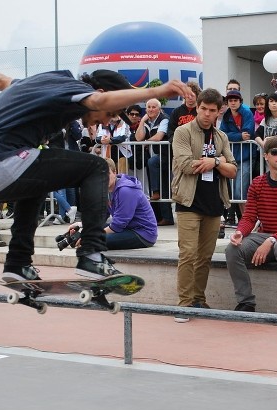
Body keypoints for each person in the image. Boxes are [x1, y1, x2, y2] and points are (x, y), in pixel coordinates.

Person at [0, 54, 190, 283]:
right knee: (97, 167)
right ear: (98, 93)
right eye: (110, 115)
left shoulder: (41, 84)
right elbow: (98, 102)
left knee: (36, 183)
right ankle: (91, 254)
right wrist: (157, 91)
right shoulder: (73, 89)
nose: (106, 122)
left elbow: (2, 81)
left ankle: (17, 263)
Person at [171, 88, 237, 321]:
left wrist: (215, 161)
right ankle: (183, 304)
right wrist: (215, 163)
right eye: (203, 109)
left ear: (219, 112)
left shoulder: (221, 137)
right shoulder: (183, 132)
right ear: (196, 107)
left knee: (205, 256)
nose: (207, 114)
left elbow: (233, 170)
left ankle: (198, 299)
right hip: (188, 201)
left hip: (214, 203)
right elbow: (185, 164)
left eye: (212, 110)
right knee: (188, 254)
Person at [225, 136, 277, 315]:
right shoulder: (257, 183)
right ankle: (246, 302)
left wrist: (271, 240)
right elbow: (249, 217)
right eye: (275, 152)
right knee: (232, 249)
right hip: (266, 237)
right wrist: (240, 232)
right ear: (266, 156)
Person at [69, 158, 157, 250]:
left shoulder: (125, 190)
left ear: (115, 173)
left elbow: (117, 225)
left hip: (143, 233)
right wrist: (80, 225)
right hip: (127, 228)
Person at [135, 98, 172, 226]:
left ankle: (156, 192)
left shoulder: (164, 119)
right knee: (162, 186)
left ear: (159, 109)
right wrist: (142, 121)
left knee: (161, 185)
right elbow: (138, 137)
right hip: (154, 159)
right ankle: (164, 218)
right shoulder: (146, 121)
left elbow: (159, 136)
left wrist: (146, 142)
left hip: (165, 156)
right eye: (148, 107)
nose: (150, 109)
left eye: (153, 107)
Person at [219, 90, 255, 218]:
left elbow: (248, 133)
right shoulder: (227, 115)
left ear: (240, 101)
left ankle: (247, 219)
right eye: (230, 101)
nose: (233, 103)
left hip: (246, 156)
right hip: (232, 157)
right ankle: (244, 220)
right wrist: (239, 135)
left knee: (240, 191)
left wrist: (233, 136)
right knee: (234, 192)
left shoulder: (246, 112)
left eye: (235, 100)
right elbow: (222, 134)